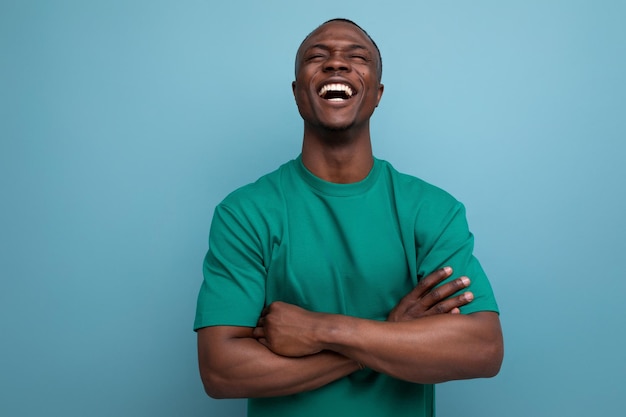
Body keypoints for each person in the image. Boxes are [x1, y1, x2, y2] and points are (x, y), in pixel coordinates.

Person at [194, 18, 503, 417]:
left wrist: (323, 330)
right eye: (316, 57)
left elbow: (483, 349)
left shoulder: (431, 209)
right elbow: (221, 372)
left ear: (376, 94)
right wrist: (386, 335)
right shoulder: (245, 213)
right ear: (296, 93)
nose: (336, 64)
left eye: (357, 57)